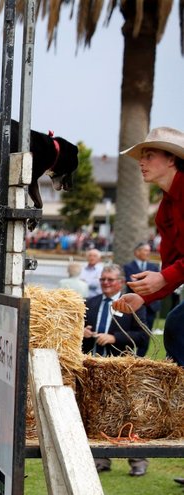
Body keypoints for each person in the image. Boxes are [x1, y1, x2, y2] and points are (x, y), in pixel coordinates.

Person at [115, 127, 184, 367]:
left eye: (149, 155)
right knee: (177, 324)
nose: (141, 163)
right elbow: (172, 266)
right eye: (141, 157)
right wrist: (145, 297)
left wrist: (163, 277)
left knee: (177, 323)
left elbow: (169, 273)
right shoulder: (164, 210)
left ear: (171, 158)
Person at [83, 265, 150, 477]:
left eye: (110, 280)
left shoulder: (132, 304)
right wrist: (82, 332)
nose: (105, 283)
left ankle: (138, 460)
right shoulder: (90, 303)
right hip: (94, 367)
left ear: (120, 282)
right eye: (103, 279)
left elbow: (142, 336)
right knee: (97, 414)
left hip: (122, 369)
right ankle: (101, 458)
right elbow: (77, 329)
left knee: (127, 414)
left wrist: (114, 338)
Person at [123, 242, 160, 329]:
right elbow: (130, 284)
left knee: (148, 332)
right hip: (134, 305)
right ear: (137, 252)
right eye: (145, 250)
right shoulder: (128, 266)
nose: (148, 253)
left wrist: (138, 281)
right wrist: (147, 283)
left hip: (151, 306)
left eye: (149, 251)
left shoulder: (154, 267)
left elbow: (156, 284)